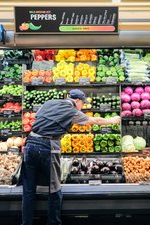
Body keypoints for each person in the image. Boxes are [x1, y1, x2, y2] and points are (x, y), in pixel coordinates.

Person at [21, 89, 121, 225]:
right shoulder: (71, 111)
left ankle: (26, 223)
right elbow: (94, 120)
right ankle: (53, 222)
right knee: (54, 188)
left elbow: (38, 117)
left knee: (28, 190)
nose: (82, 107)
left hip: (30, 143)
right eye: (82, 104)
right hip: (47, 146)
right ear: (77, 101)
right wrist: (112, 120)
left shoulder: (50, 102)